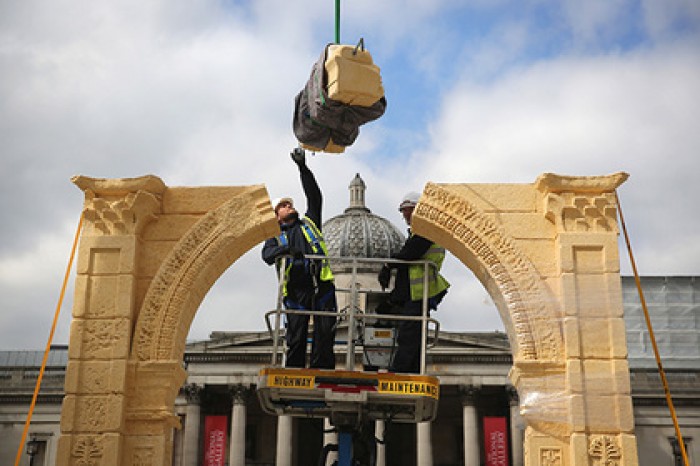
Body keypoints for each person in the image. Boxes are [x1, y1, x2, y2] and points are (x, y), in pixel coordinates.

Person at [262, 148, 337, 369]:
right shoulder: (274, 237)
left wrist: (303, 168)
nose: (289, 206)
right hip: (296, 290)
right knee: (296, 338)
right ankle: (294, 372)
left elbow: (314, 196)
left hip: (321, 286)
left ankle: (322, 371)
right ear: (276, 217)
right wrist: (286, 252)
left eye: (289, 204)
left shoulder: (310, 223)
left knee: (325, 335)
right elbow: (266, 256)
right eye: (283, 206)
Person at [378, 191, 450, 374]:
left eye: (407, 211)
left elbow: (410, 254)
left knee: (409, 333)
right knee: (412, 332)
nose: (404, 216)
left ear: (417, 209)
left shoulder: (427, 229)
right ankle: (411, 369)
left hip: (419, 290)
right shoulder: (420, 232)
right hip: (414, 290)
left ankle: (401, 371)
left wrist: (389, 264)